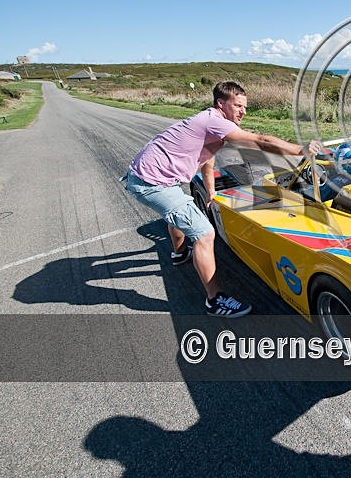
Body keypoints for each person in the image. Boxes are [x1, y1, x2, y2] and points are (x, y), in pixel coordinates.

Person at [125, 81, 322, 317]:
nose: (243, 111)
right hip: (151, 182)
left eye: (245, 107)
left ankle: (179, 253)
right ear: (221, 104)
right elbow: (261, 140)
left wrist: (211, 192)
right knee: (204, 234)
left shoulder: (213, 128)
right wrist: (300, 150)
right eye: (238, 105)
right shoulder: (213, 120)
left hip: (152, 177)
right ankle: (215, 300)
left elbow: (207, 160)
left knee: (177, 210)